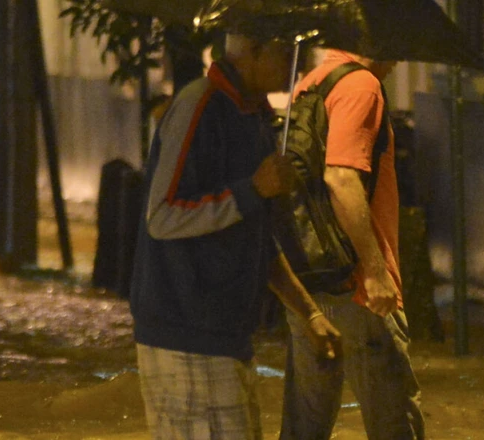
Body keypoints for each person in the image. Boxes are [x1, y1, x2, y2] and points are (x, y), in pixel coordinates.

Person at [129, 31, 342, 440]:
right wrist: (252, 190)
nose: (296, 63)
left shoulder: (253, 117)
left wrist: (309, 313)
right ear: (252, 52)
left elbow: (255, 237)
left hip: (226, 335)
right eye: (285, 51)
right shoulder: (201, 106)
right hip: (187, 330)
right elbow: (162, 215)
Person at [277, 48, 424, 440]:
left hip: (310, 277)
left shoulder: (310, 83)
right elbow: (341, 177)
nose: (399, 58)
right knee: (394, 422)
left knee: (305, 425)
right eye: (395, 44)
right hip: (356, 287)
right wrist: (376, 273)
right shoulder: (362, 86)